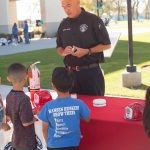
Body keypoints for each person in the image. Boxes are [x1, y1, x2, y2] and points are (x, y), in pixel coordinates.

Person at [56, 0, 111, 96]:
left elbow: (107, 45)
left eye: (68, 5)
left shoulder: (93, 20)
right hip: (70, 75)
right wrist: (64, 52)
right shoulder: (63, 24)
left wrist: (87, 51)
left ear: (78, 2)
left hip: (91, 74)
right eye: (63, 7)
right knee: (72, 108)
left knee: (94, 108)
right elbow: (59, 47)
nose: (66, 9)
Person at [38, 67, 90, 150]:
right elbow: (87, 119)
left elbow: (44, 129)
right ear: (72, 84)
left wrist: (48, 143)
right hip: (73, 144)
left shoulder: (48, 106)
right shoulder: (79, 103)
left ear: (53, 85)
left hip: (53, 145)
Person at [6, 63, 36, 150]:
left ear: (9, 78)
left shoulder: (9, 96)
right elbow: (26, 122)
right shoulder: (24, 99)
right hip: (27, 143)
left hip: (16, 141)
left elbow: (10, 115)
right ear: (25, 78)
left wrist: (30, 112)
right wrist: (33, 117)